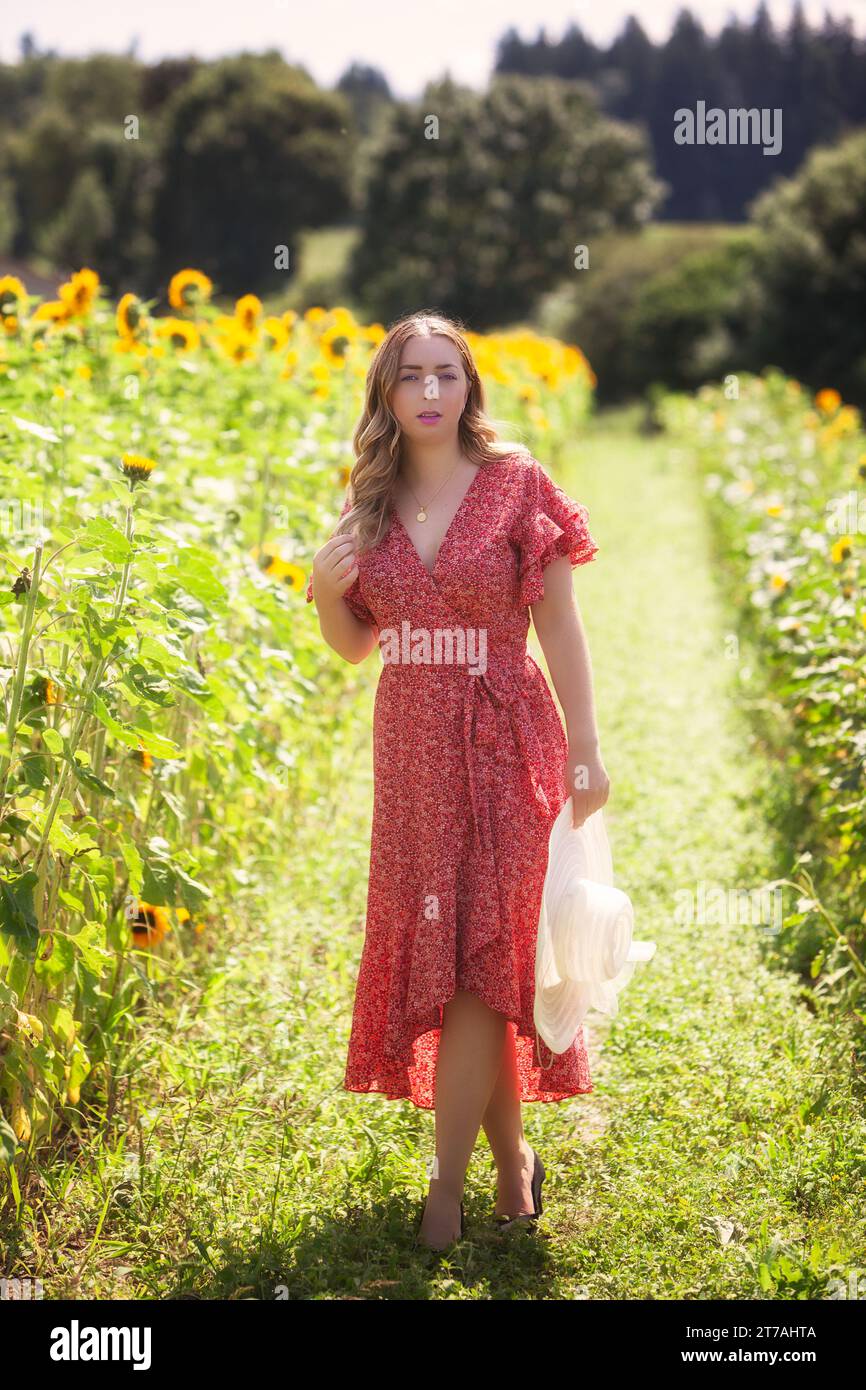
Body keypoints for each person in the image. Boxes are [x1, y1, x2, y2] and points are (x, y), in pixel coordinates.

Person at [306, 311, 609, 1251]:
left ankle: (446, 1193)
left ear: (470, 387)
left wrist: (588, 746)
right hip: (413, 750)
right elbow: (359, 646)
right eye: (411, 377)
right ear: (386, 395)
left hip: (511, 732)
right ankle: (514, 1172)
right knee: (461, 957)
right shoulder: (370, 500)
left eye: (447, 374)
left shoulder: (518, 484)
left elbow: (559, 624)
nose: (431, 393)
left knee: (491, 959)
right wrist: (324, 593)